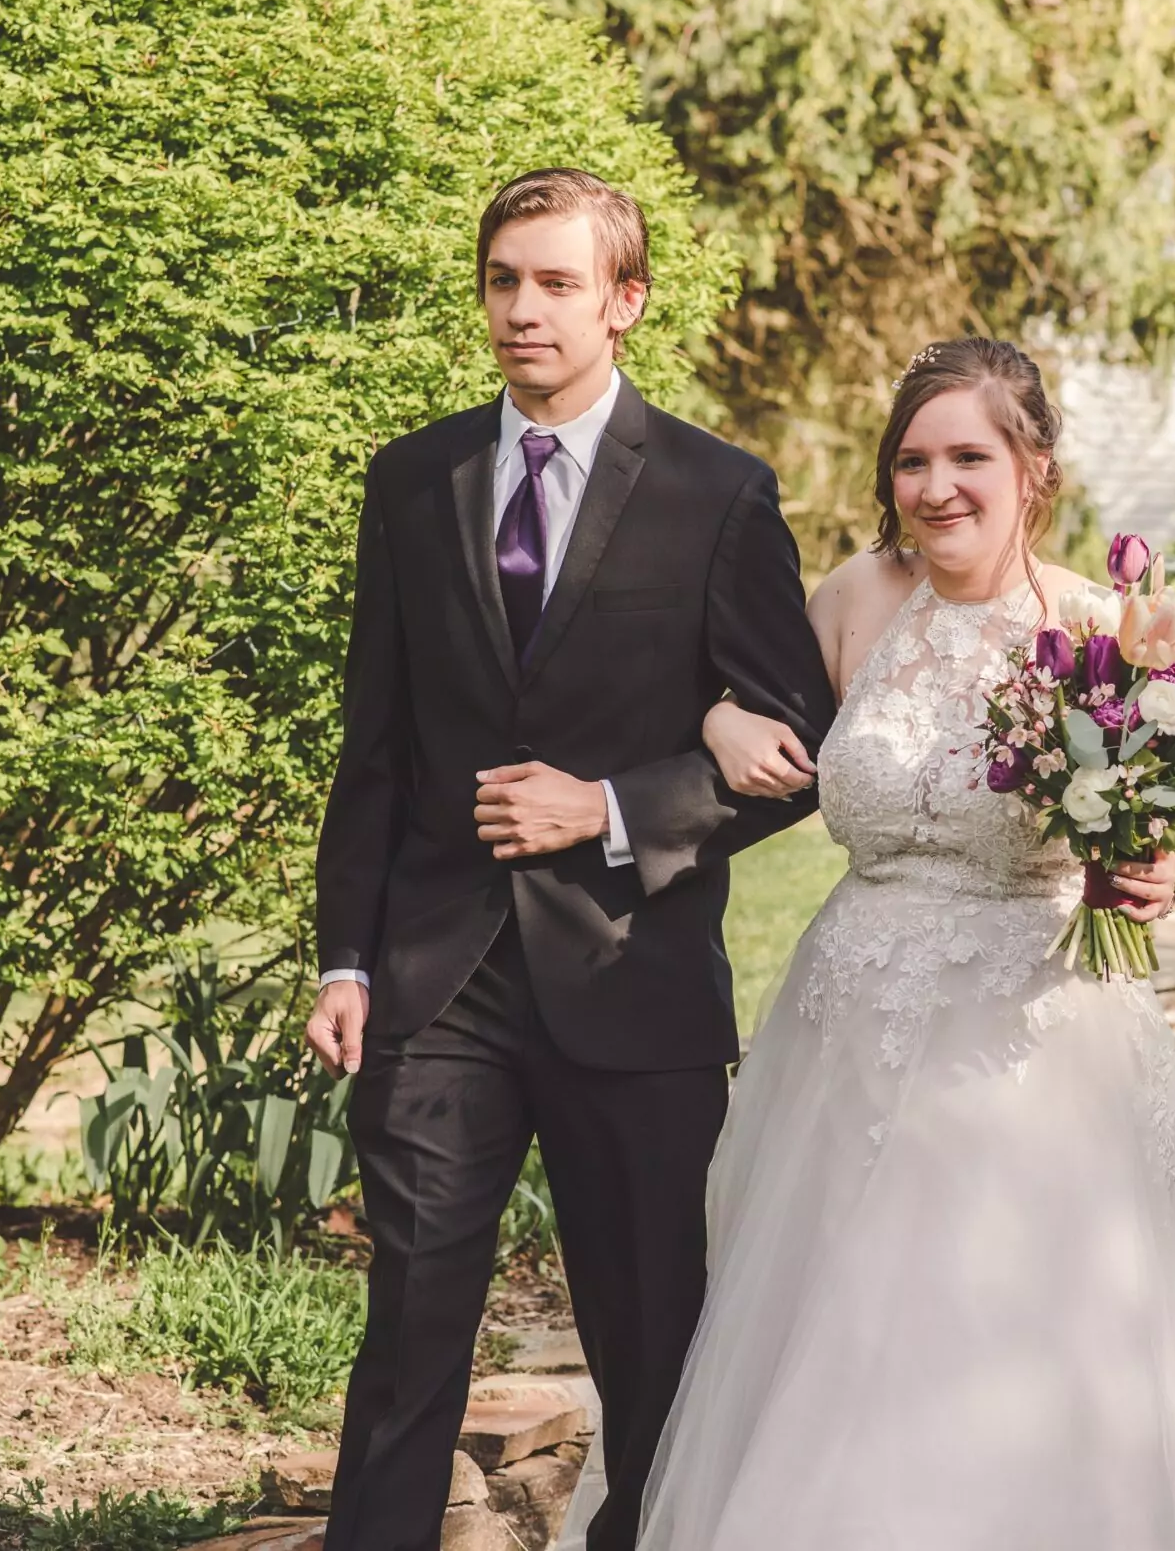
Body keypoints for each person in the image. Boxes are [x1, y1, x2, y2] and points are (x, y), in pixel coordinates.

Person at [637, 337, 1175, 1550]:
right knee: (835, 1325)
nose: (936, 487)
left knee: (1005, 1318)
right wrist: (724, 714)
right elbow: (727, 691)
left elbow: (1159, 818)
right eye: (911, 461)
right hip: (847, 1024)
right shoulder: (849, 602)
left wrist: (1150, 867)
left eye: (968, 457)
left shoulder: (1108, 637)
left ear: (1032, 467)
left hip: (1025, 1035)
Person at [302, 167, 833, 1551]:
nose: (522, 309)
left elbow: (793, 754)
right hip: (439, 979)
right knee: (413, 1321)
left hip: (633, 978)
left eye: (555, 282)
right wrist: (347, 954)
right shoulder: (415, 480)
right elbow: (377, 739)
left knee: (653, 1339)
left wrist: (605, 807)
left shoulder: (719, 493)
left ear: (625, 302)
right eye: (502, 280)